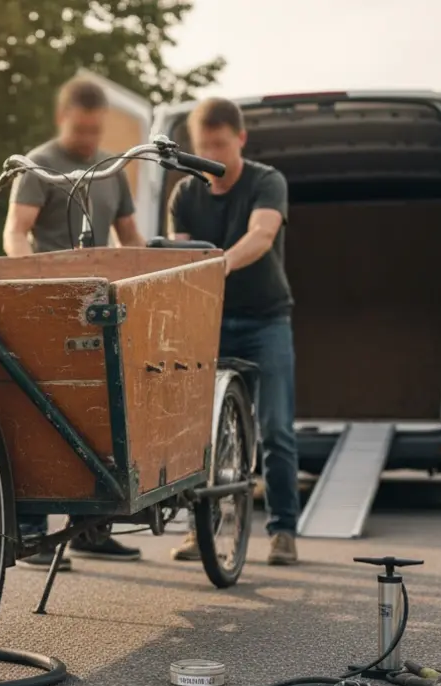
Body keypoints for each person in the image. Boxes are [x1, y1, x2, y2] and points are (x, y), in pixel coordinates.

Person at [1, 76, 148, 571]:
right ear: (61, 119)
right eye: (80, 129)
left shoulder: (111, 169)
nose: (88, 140)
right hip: (49, 301)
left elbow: (131, 238)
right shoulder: (39, 164)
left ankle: (91, 530)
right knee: (42, 407)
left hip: (100, 304)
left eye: (95, 130)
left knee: (100, 410)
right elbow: (16, 232)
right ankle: (34, 534)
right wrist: (27, 278)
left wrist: (151, 281)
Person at [166, 97, 301, 566]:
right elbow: (177, 258)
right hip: (210, 323)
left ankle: (283, 531)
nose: (214, 155)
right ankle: (196, 532)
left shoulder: (268, 181)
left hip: (267, 319)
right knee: (196, 429)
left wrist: (218, 264)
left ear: (240, 139)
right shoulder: (184, 194)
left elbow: (262, 236)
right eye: (205, 146)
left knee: (278, 428)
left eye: (221, 144)